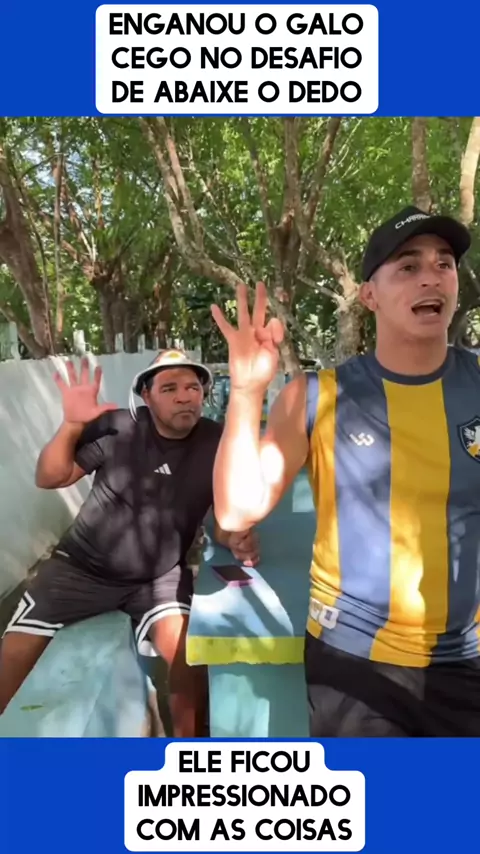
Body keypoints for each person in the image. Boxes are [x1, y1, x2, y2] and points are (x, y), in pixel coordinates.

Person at [211, 205, 480, 737]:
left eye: (444, 263)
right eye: (408, 266)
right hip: (354, 662)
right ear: (369, 295)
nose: (431, 276)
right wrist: (246, 390)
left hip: (468, 661)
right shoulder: (317, 396)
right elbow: (237, 509)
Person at [0, 349, 259, 736]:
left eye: (193, 387)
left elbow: (221, 516)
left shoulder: (216, 441)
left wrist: (235, 537)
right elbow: (50, 477)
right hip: (78, 571)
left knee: (188, 657)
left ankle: (188, 751)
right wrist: (71, 425)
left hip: (158, 578)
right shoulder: (118, 429)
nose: (184, 396)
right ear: (146, 396)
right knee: (12, 660)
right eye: (169, 388)